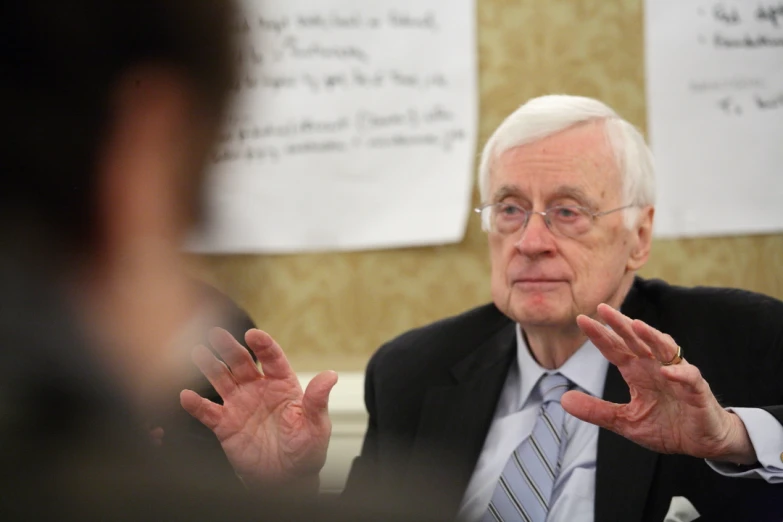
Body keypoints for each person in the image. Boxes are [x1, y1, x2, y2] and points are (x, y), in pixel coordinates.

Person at [183, 95, 783, 521]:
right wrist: (287, 491)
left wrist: (732, 435)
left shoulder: (740, 340)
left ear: (640, 236)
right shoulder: (412, 370)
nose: (531, 240)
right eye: (510, 208)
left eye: (569, 211)